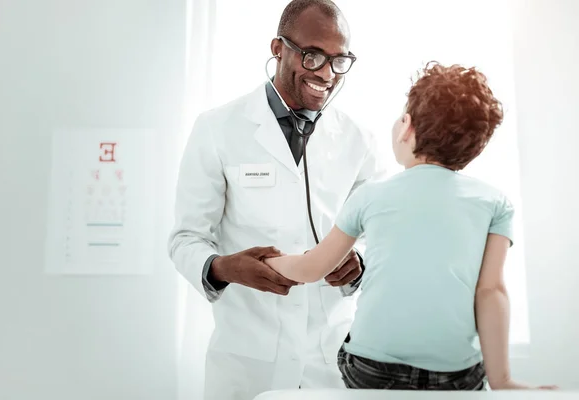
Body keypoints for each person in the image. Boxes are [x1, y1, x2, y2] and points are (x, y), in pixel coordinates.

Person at [265, 62, 558, 391]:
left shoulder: (370, 197)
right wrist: (502, 380)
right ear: (474, 148)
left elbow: (310, 267)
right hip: (456, 374)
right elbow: (490, 292)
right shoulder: (494, 203)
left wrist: (265, 260)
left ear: (406, 127)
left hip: (372, 368)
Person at [168, 1, 386, 399]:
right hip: (247, 364)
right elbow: (186, 238)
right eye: (313, 55)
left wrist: (358, 264)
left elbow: (380, 237)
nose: (326, 73)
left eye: (339, 61)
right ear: (278, 48)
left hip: (329, 361)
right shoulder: (218, 129)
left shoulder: (359, 141)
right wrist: (224, 268)